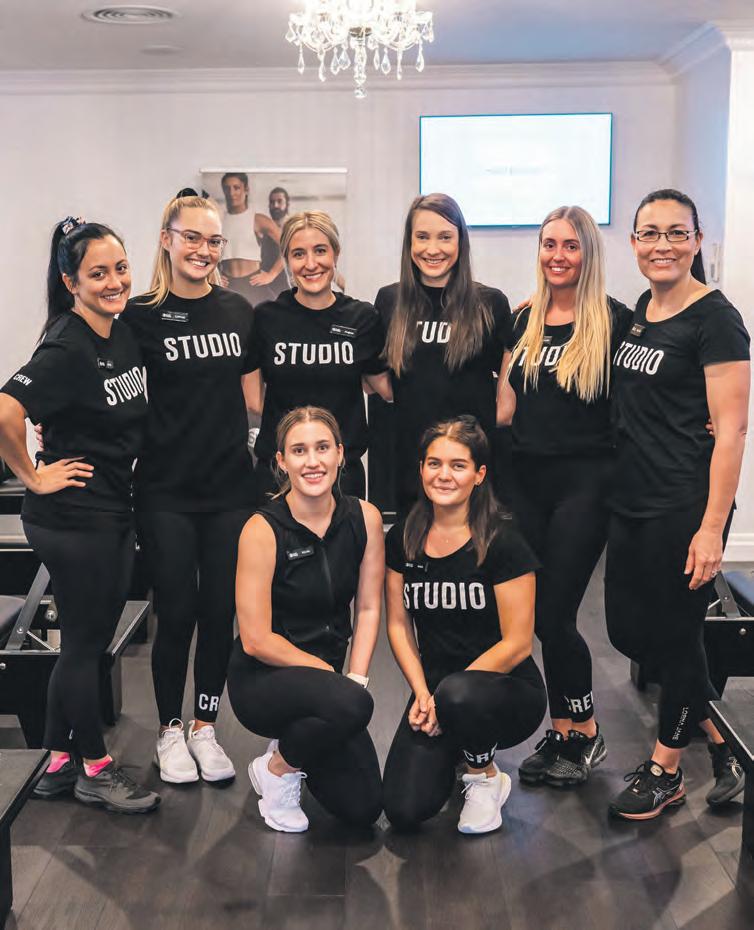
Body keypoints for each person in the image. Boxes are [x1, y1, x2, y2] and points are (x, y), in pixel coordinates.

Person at [0, 218, 159, 814]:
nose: (115, 281)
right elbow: (6, 412)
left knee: (85, 642)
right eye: (98, 273)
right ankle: (94, 766)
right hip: (72, 515)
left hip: (108, 508)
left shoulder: (118, 333)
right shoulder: (67, 345)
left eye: (120, 268)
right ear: (71, 282)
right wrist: (33, 475)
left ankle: (56, 760)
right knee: (86, 647)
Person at [605, 188, 750, 819]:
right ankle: (721, 740)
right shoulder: (642, 309)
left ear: (696, 240)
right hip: (632, 497)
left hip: (683, 504)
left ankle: (665, 769)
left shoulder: (716, 319)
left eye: (676, 232)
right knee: (629, 631)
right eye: (650, 233)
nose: (662, 245)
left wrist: (712, 527)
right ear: (635, 242)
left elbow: (733, 430)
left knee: (677, 631)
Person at [120, 193, 256, 785]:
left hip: (230, 490)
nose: (203, 250)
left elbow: (255, 395)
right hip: (165, 491)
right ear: (167, 240)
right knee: (175, 612)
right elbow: (109, 385)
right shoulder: (139, 316)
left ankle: (205, 725)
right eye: (192, 237)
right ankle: (169, 730)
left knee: (220, 611)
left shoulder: (238, 311)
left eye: (213, 240)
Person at [498, 206, 632, 788]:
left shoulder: (615, 321)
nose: (558, 255)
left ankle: (588, 730)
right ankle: (563, 732)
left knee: (555, 613)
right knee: (533, 616)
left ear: (588, 254)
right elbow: (505, 407)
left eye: (571, 245)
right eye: (549, 244)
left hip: (586, 484)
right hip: (526, 483)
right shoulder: (523, 320)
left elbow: (648, 395)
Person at [382, 416, 547, 834]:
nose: (444, 475)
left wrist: (443, 699)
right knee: (404, 808)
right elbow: (398, 625)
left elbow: (518, 644)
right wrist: (423, 694)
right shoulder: (404, 536)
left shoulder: (503, 541)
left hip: (505, 690)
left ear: (479, 474)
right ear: (421, 469)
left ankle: (485, 775)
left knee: (460, 695)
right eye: (434, 463)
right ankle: (459, 746)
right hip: (438, 691)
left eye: (458, 465)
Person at [227, 406, 384, 833]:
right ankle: (278, 769)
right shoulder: (261, 529)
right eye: (299, 451)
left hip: (330, 690)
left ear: (340, 454)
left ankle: (293, 745)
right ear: (281, 461)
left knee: (364, 807)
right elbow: (256, 639)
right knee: (353, 704)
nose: (312, 461)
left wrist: (355, 677)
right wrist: (330, 678)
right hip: (263, 678)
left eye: (322, 448)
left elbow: (368, 608)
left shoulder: (365, 518)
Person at [377, 193, 512, 514]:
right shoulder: (389, 301)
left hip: (470, 470)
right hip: (412, 466)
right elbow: (382, 384)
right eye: (422, 237)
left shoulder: (490, 303)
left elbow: (506, 401)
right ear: (409, 242)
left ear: (460, 241)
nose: (433, 248)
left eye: (445, 237)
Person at [245, 210, 391, 500]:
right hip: (280, 473)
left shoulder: (362, 318)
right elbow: (253, 400)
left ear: (336, 253)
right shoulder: (265, 318)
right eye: (298, 254)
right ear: (287, 260)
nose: (311, 264)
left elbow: (383, 388)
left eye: (320, 250)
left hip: (342, 475)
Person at [218, 172, 284, 306]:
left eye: (236, 188)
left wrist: (271, 274)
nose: (231, 193)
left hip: (254, 285)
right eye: (227, 188)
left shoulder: (258, 219)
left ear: (246, 189)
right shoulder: (218, 221)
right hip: (228, 286)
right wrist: (213, 274)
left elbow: (289, 245)